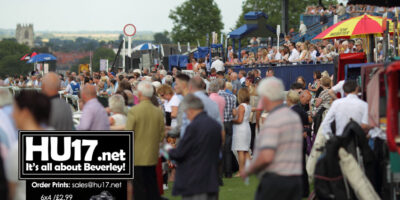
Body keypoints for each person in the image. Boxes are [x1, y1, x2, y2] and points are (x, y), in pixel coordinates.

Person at [240, 77, 303, 200]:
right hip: (295, 180)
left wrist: (248, 169)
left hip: (276, 182)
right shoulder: (293, 117)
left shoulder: (273, 120)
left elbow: (266, 156)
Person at [168, 94, 221, 200]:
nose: (186, 115)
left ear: (191, 110)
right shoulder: (215, 125)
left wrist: (167, 149)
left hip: (194, 180)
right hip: (211, 179)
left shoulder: (193, 127)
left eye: (186, 112)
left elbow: (180, 153)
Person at [7, 90, 51, 200]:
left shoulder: (18, 150)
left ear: (25, 113)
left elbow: (10, 192)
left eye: (15, 110)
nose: (12, 115)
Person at [125, 81, 165, 200]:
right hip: (152, 155)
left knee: (139, 189)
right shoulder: (158, 111)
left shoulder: (134, 111)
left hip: (137, 157)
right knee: (152, 187)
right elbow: (162, 135)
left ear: (140, 93)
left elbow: (128, 134)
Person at [217, 79, 236, 178]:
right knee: (228, 149)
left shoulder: (216, 97)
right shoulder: (232, 97)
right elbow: (234, 113)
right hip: (228, 123)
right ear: (225, 86)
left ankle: (220, 171)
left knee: (219, 147)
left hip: (219, 123)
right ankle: (228, 172)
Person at [232, 88, 252, 177]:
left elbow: (239, 120)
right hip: (247, 128)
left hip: (240, 129)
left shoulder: (241, 106)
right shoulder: (248, 106)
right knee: (246, 150)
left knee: (240, 151)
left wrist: (231, 120)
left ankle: (241, 171)